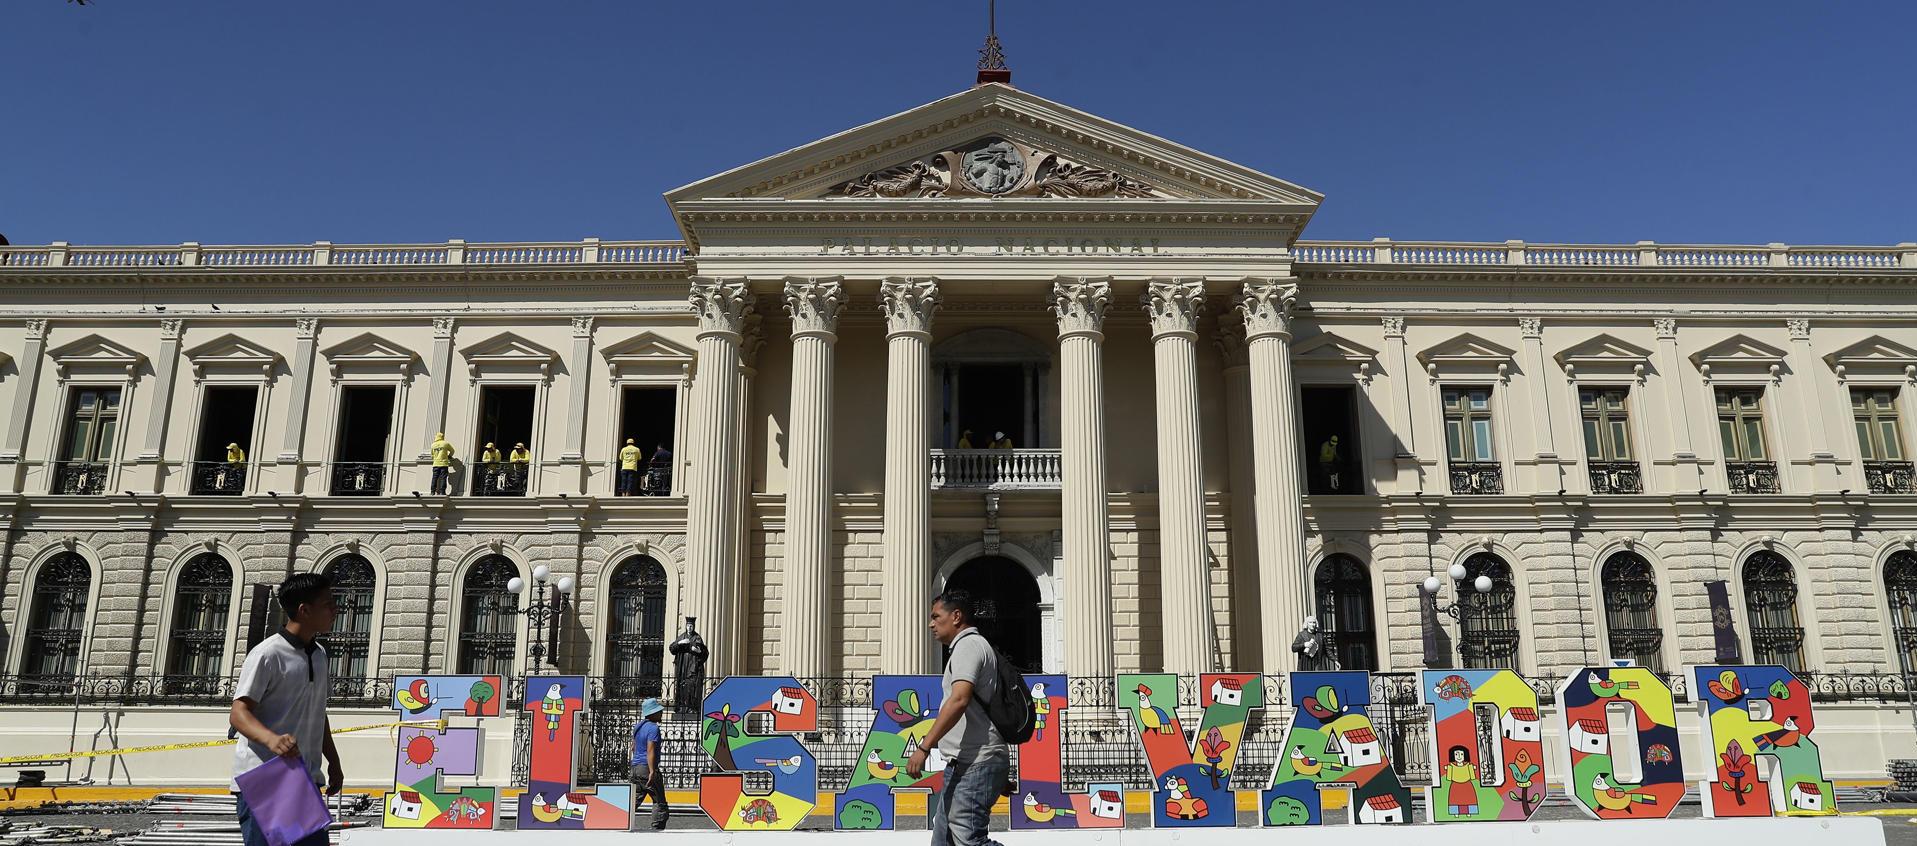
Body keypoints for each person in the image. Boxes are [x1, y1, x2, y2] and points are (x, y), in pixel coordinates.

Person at [229, 573, 342, 846]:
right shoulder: (267, 654)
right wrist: (272, 739)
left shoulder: (319, 654)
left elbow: (317, 712)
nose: (335, 610)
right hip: (266, 778)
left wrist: (334, 761)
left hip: (304, 778)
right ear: (304, 610)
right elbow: (239, 712)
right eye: (328, 604)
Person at [907, 590, 1007, 846]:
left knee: (969, 841)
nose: (930, 623)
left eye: (935, 616)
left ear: (956, 616)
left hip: (976, 761)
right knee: (944, 839)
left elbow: (959, 699)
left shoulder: (968, 646)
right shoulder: (967, 647)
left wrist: (924, 747)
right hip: (965, 764)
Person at [630, 697, 669, 830]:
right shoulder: (653, 728)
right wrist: (652, 771)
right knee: (659, 801)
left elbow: (633, 747)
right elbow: (650, 749)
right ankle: (657, 829)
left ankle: (615, 819)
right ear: (652, 713)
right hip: (647, 768)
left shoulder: (638, 727)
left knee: (634, 800)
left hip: (636, 767)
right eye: (659, 711)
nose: (661, 713)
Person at [1443, 745, 1479, 816]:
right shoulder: (1451, 766)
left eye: (1461, 754)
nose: (1459, 756)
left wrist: (1472, 768)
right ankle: (1455, 812)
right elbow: (1449, 778)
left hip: (1467, 784)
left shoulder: (1468, 765)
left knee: (1469, 799)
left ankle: (1469, 812)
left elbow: (1472, 776)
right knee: (1455, 799)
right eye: (1456, 754)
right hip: (1455, 785)